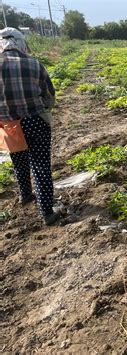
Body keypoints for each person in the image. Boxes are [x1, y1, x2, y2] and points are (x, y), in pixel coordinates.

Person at [0, 27, 59, 226]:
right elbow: (49, 94)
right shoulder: (34, 64)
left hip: (9, 124)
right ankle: (46, 211)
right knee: (41, 165)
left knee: (19, 161)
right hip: (35, 120)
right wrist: (45, 109)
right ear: (21, 43)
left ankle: (25, 195)